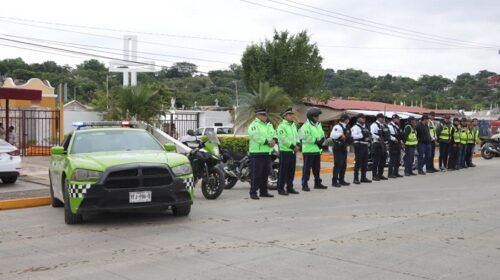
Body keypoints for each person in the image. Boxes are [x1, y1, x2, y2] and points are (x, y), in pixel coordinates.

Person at [248, 109, 276, 200]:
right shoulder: (254, 125)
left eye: (266, 115)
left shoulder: (269, 125)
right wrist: (268, 142)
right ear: (258, 115)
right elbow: (256, 137)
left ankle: (263, 192)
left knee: (265, 173)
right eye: (263, 115)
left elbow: (274, 134)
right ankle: (253, 192)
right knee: (256, 174)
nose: (265, 116)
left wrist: (274, 140)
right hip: (257, 153)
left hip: (267, 152)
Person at [300, 107, 328, 191]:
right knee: (307, 169)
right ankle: (304, 184)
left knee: (317, 168)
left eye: (318, 116)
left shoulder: (318, 125)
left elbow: (322, 134)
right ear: (311, 117)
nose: (317, 118)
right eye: (316, 116)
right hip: (308, 151)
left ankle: (317, 183)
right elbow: (306, 137)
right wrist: (317, 140)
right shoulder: (305, 126)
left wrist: (322, 139)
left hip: (317, 150)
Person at [276, 107, 300, 195]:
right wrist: (293, 146)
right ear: (284, 116)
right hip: (285, 151)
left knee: (291, 170)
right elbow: (283, 139)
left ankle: (290, 187)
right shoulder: (281, 126)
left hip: (293, 151)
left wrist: (297, 144)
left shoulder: (293, 125)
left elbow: (296, 136)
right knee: (283, 171)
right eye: (289, 115)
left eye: (291, 114)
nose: (291, 116)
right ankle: (280, 188)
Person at [330, 114, 352, 187]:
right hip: (337, 147)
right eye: (347, 119)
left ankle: (341, 180)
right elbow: (332, 135)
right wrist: (340, 134)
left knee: (344, 164)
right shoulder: (337, 126)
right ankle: (334, 181)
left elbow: (349, 136)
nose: (348, 120)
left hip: (344, 147)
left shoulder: (347, 127)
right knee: (338, 164)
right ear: (344, 119)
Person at [351, 113, 372, 184]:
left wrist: (369, 138)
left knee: (365, 162)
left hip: (365, 145)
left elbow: (368, 135)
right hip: (359, 145)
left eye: (364, 118)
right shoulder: (355, 127)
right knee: (358, 162)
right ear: (358, 119)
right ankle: (355, 178)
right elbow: (353, 136)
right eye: (362, 118)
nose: (364, 119)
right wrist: (362, 135)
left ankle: (363, 177)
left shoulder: (365, 127)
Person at [370, 113, 389, 181]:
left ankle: (380, 174)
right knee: (376, 161)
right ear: (378, 118)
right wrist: (378, 137)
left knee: (383, 160)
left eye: (383, 118)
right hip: (377, 144)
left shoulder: (383, 125)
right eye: (382, 118)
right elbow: (371, 134)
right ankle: (374, 175)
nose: (383, 119)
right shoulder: (374, 125)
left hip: (383, 144)